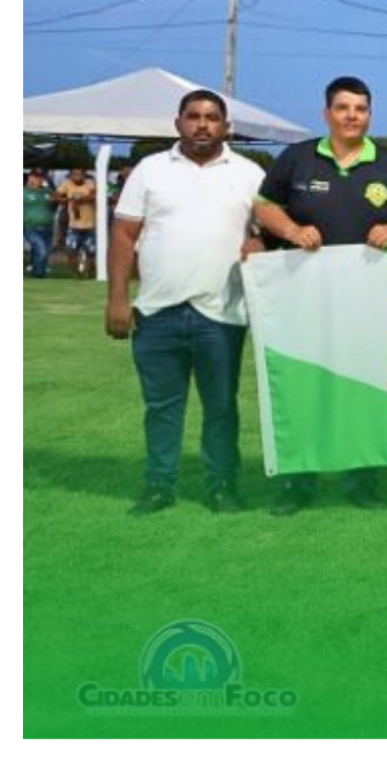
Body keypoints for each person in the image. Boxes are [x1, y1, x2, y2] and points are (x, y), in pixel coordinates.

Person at [254, 76, 387, 514]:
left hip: (370, 303)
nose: (352, 116)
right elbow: (263, 206)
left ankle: (362, 480)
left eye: (360, 108)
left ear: (370, 114)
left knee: (364, 391)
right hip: (303, 300)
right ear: (326, 113)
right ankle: (299, 482)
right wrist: (292, 230)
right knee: (303, 389)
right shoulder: (298, 158)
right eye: (343, 107)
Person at [105, 90, 265, 515]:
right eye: (193, 116)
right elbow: (123, 234)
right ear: (178, 123)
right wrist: (117, 299)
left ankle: (222, 486)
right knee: (161, 408)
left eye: (212, 117)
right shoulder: (150, 170)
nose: (202, 124)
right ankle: (159, 486)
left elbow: (268, 229)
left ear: (226, 126)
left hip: (222, 314)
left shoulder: (249, 174)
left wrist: (259, 240)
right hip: (157, 312)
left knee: (222, 408)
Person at [54, 167, 97, 277]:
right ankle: (76, 274)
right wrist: (69, 200)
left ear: (84, 175)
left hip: (90, 225)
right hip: (73, 226)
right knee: (70, 251)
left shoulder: (90, 183)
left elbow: (95, 195)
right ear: (70, 175)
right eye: (74, 174)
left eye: (79, 174)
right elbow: (56, 196)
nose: (77, 176)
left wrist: (81, 199)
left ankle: (87, 273)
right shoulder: (67, 183)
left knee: (91, 252)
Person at [24, 170, 55, 278]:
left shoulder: (47, 191)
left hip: (48, 228)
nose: (37, 180)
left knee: (43, 252)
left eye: (40, 177)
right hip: (30, 228)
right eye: (34, 177)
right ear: (29, 178)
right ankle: (38, 275)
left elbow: (57, 201)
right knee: (42, 251)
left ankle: (39, 274)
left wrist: (54, 199)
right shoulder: (22, 192)